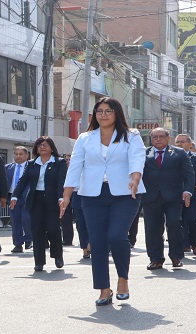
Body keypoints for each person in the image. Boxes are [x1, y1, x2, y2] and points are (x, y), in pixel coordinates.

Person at [61, 97, 146, 306]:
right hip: (92, 195)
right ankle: (103, 289)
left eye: (108, 111)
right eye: (99, 111)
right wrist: (67, 195)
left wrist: (135, 178)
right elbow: (75, 166)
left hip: (126, 193)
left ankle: (123, 279)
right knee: (97, 242)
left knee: (117, 236)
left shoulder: (131, 135)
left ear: (117, 113)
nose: (103, 115)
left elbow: (137, 158)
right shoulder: (85, 138)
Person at [10, 136, 67, 271]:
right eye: (39, 145)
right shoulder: (32, 164)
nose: (42, 147)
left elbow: (61, 182)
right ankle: (39, 262)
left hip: (53, 200)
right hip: (36, 200)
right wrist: (15, 196)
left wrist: (61, 198)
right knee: (37, 231)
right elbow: (23, 181)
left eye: (45, 145)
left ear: (51, 148)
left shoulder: (59, 162)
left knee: (53, 228)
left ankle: (57, 255)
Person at [142, 128, 194, 270]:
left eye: (161, 137)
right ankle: (155, 259)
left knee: (174, 224)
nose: (158, 139)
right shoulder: (144, 153)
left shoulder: (179, 153)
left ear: (168, 138)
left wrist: (188, 191)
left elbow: (189, 174)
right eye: (155, 137)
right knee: (152, 228)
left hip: (173, 197)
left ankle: (176, 257)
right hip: (150, 197)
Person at [5, 146, 32, 253]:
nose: (18, 156)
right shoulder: (7, 168)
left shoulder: (31, 167)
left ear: (27, 156)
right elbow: (2, 182)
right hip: (12, 198)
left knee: (26, 218)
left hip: (27, 197)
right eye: (16, 154)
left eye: (21, 154)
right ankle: (18, 244)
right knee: (15, 221)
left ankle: (29, 239)